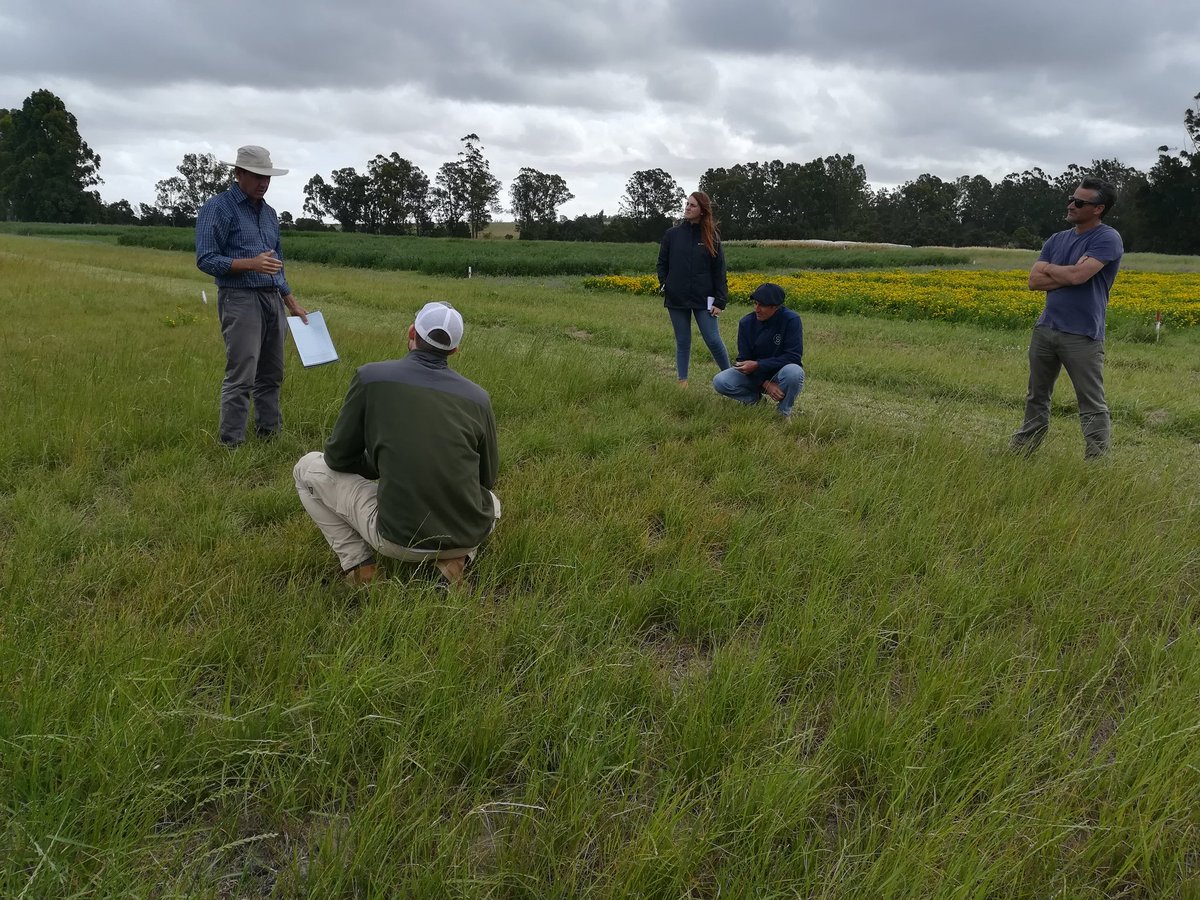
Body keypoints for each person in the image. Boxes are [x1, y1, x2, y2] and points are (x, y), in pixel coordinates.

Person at [293, 302, 500, 587]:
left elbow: (337, 458)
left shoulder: (371, 377)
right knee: (494, 504)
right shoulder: (479, 398)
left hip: (397, 540)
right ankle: (454, 562)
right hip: (466, 536)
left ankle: (359, 567)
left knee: (306, 468)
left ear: (411, 332)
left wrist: (380, 462)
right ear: (454, 350)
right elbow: (487, 479)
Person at [196, 145, 308, 448]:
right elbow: (205, 258)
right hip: (239, 298)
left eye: (267, 177)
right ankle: (231, 443)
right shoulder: (218, 208)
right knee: (242, 374)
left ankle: (269, 435)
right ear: (238, 173)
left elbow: (277, 264)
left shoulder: (270, 214)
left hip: (272, 300)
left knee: (272, 373)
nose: (264, 182)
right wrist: (250, 264)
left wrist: (291, 302)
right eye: (258, 176)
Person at [1010, 177, 1123, 459]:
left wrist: (1055, 270)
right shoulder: (1057, 239)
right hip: (1046, 327)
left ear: (1098, 209)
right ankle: (1023, 451)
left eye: (1079, 202)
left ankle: (1097, 464)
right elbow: (1034, 281)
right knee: (1036, 396)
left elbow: (1079, 275)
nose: (1071, 205)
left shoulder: (1106, 238)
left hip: (1082, 334)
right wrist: (1068, 274)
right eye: (1071, 199)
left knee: (1091, 402)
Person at [656, 191, 731, 386]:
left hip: (704, 298)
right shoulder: (672, 235)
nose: (687, 208)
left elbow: (719, 271)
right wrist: (665, 284)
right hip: (677, 297)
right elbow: (661, 263)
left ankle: (733, 380)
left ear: (702, 211)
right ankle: (682, 383)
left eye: (692, 205)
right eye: (687, 204)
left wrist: (720, 300)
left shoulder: (711, 237)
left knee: (713, 339)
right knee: (683, 341)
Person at [712, 283, 804, 418]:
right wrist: (765, 383)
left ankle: (783, 413)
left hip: (780, 374)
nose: (757, 309)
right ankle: (755, 402)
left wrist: (759, 365)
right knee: (720, 381)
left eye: (762, 305)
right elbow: (743, 359)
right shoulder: (746, 323)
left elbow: (793, 357)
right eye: (755, 303)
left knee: (795, 372)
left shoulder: (791, 320)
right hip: (754, 375)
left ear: (775, 307)